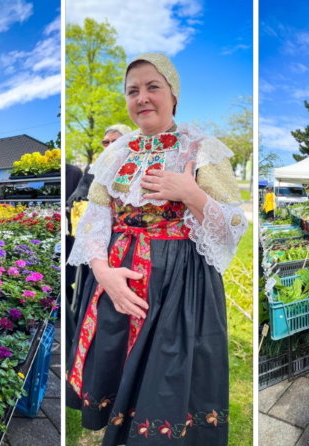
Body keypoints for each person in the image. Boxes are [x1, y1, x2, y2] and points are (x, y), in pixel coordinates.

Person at [66, 53, 246, 445]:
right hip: (120, 281)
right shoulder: (116, 152)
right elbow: (95, 222)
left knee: (165, 386)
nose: (142, 97)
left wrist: (192, 194)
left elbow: (234, 225)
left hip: (179, 287)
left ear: (173, 95)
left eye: (153, 87)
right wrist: (103, 273)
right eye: (133, 91)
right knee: (120, 377)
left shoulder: (201, 149)